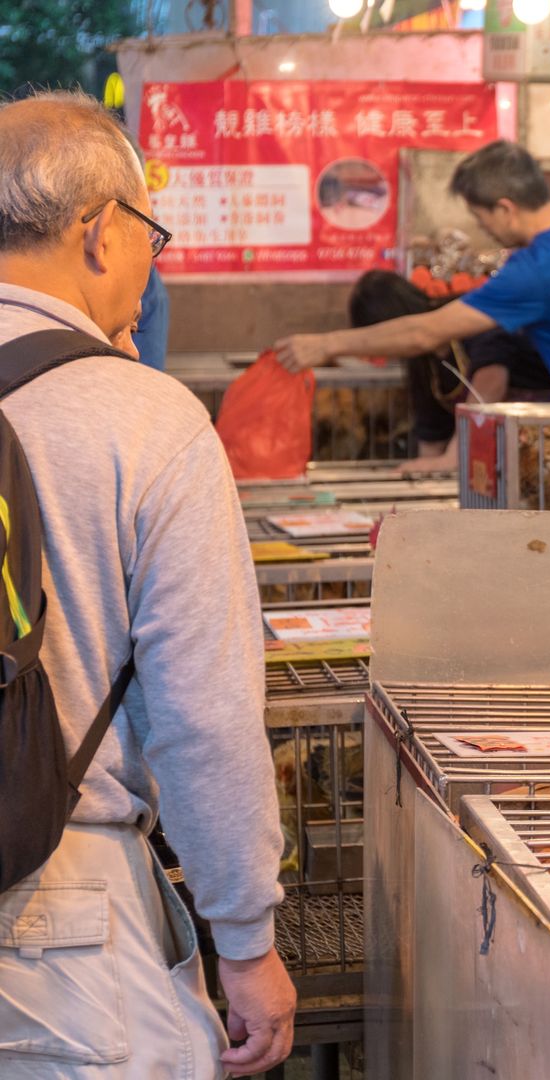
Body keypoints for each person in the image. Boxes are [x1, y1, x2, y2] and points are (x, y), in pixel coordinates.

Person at [0, 92, 294, 1076]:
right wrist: (245, 944)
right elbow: (202, 714)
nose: (150, 263)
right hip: (56, 909)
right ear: (96, 235)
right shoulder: (142, 420)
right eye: (148, 234)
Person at [274, 139, 550, 405]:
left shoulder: (533, 272)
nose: (484, 229)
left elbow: (424, 332)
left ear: (505, 208)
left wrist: (326, 343)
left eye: (482, 216)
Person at [347, 269, 550, 473]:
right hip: (506, 459)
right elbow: (432, 436)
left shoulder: (466, 315)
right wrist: (424, 471)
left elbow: (491, 385)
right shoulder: (420, 361)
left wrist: (453, 457)